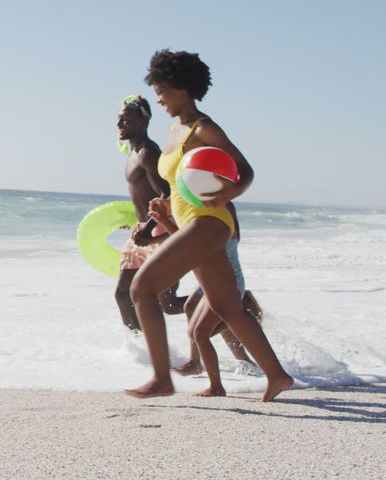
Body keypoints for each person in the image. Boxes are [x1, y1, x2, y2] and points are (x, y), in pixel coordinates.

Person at [125, 49, 293, 402]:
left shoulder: (204, 128)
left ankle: (161, 380)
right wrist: (166, 205)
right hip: (193, 223)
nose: (159, 98)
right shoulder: (175, 130)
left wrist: (229, 192)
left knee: (142, 288)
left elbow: (245, 170)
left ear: (184, 88)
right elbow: (185, 181)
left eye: (163, 90)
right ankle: (277, 376)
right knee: (228, 307)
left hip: (208, 222)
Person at [149, 198, 264, 394]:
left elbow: (190, 244)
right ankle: (198, 364)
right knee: (191, 307)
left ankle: (222, 378)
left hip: (225, 279)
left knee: (204, 332)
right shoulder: (206, 208)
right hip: (213, 277)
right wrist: (163, 219)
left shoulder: (220, 209)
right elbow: (186, 239)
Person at [114, 96, 186, 331]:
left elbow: (167, 195)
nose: (119, 124)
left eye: (126, 119)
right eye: (119, 118)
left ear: (143, 122)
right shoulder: (132, 153)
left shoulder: (147, 152)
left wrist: (147, 229)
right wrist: (136, 222)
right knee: (124, 296)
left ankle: (234, 303)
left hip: (160, 230)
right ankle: (141, 351)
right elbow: (143, 195)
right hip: (141, 230)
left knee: (169, 304)